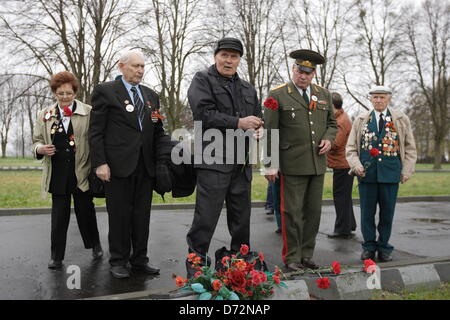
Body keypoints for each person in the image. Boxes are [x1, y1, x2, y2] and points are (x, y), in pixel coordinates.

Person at [185, 37, 263, 277]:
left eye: (234, 56)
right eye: (225, 55)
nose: (229, 60)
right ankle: (196, 269)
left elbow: (258, 117)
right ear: (216, 56)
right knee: (205, 219)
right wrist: (238, 123)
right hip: (213, 162)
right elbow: (203, 115)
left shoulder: (248, 88)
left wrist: (260, 128)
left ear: (239, 59)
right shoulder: (202, 80)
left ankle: (241, 267)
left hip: (241, 164)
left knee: (241, 221)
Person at [89, 50, 167, 278]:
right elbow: (96, 132)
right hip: (117, 166)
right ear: (121, 66)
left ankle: (140, 260)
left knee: (142, 216)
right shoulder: (106, 91)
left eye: (142, 66)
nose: (140, 70)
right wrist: (100, 163)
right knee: (120, 216)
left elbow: (158, 129)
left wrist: (162, 160)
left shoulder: (152, 96)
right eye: (135, 66)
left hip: (145, 166)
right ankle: (118, 260)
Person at [264, 49, 337, 272]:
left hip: (317, 164)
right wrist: (270, 163)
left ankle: (307, 254)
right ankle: (292, 257)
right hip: (292, 164)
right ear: (293, 69)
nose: (303, 76)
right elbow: (270, 131)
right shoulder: (278, 95)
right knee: (292, 213)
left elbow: (332, 124)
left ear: (313, 73)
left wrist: (328, 140)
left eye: (308, 72)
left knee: (313, 213)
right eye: (299, 71)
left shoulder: (323, 94)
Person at [32, 71, 103, 270]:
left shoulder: (88, 112)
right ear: (54, 92)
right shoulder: (44, 114)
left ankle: (95, 245)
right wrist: (40, 149)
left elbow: (96, 139)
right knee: (59, 217)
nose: (65, 97)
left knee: (85, 213)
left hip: (81, 170)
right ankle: (56, 256)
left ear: (75, 92)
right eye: (60, 93)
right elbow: (36, 140)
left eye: (69, 93)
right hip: (57, 174)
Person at [346, 85, 417, 262]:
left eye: (382, 97)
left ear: (389, 99)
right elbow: (351, 148)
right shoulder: (361, 120)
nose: (378, 100)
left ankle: (384, 247)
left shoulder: (401, 119)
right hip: (367, 175)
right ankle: (369, 247)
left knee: (387, 213)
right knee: (367, 214)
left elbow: (410, 148)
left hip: (390, 175)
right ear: (371, 99)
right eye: (375, 97)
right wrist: (356, 165)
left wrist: (407, 170)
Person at [327, 92, 356, 239]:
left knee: (340, 197)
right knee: (345, 197)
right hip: (344, 163)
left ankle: (341, 229)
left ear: (333, 106)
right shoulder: (341, 117)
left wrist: (322, 140)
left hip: (342, 165)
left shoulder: (340, 121)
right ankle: (349, 224)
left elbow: (335, 143)